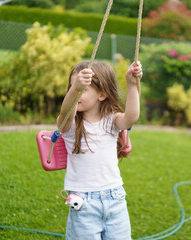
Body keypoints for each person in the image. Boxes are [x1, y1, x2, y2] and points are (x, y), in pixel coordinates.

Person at [57, 60, 142, 240]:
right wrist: (76, 89)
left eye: (84, 89)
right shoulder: (70, 125)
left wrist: (132, 83)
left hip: (115, 198)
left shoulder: (112, 121)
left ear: (102, 94)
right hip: (84, 204)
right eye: (72, 87)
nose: (76, 91)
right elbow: (66, 112)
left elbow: (131, 117)